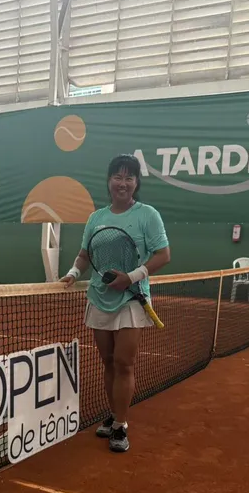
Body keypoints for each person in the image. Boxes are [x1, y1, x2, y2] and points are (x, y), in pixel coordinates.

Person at [61, 153, 171, 453]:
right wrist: (72, 274)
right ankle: (112, 415)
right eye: (117, 177)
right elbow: (85, 256)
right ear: (109, 181)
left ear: (136, 183)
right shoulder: (96, 218)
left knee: (124, 363)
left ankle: (121, 425)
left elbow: (162, 255)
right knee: (107, 361)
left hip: (132, 300)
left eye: (129, 178)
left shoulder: (148, 215)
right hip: (99, 298)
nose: (122, 183)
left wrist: (131, 277)